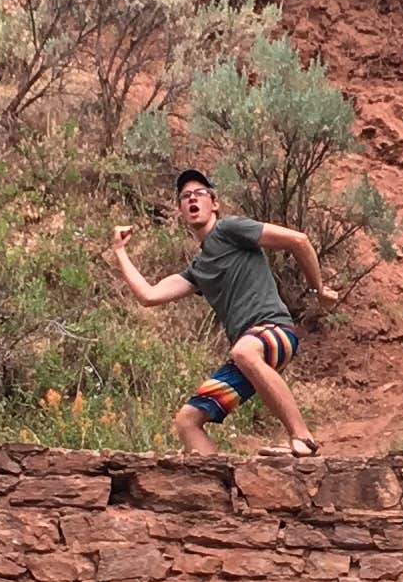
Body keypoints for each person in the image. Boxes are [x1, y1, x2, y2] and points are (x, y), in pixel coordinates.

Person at [111, 168, 339, 456]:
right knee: (187, 420)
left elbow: (299, 241)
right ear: (181, 211)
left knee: (243, 352)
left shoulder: (229, 229)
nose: (192, 199)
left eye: (199, 193)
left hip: (275, 331)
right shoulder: (198, 270)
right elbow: (149, 295)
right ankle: (215, 487)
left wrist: (318, 289)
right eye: (185, 197)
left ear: (214, 203)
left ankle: (302, 437)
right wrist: (120, 252)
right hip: (249, 353)